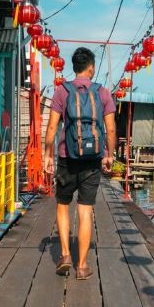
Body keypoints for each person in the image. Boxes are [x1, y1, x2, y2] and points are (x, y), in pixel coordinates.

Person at [43, 47, 116, 280]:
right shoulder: (103, 93)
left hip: (67, 157)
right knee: (85, 210)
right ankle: (82, 266)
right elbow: (111, 128)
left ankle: (64, 254)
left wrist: (47, 154)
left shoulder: (62, 92)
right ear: (91, 67)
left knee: (63, 205)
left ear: (74, 67)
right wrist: (109, 154)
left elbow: (53, 127)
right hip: (92, 160)